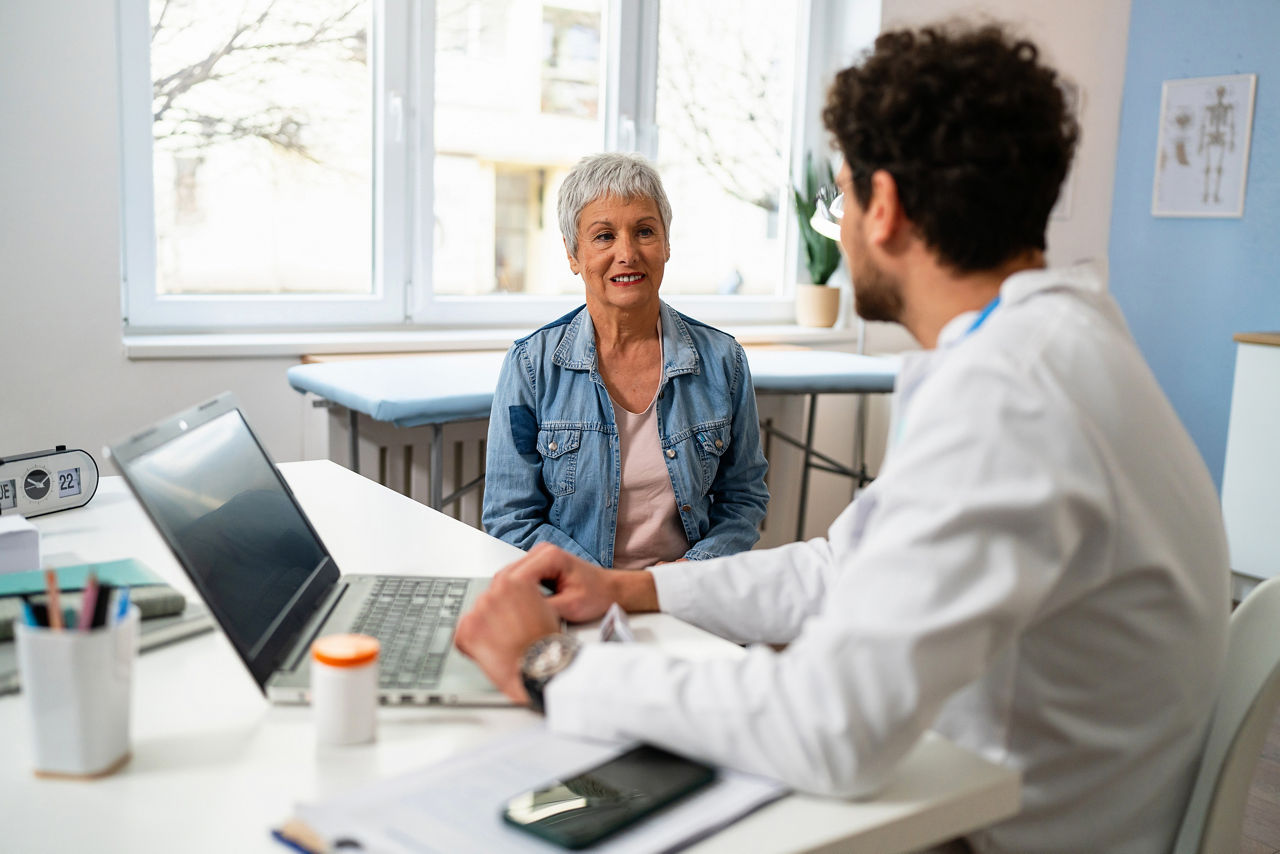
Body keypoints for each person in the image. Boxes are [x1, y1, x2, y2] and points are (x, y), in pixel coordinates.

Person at [456, 24, 1229, 854]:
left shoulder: (1007, 397)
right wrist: (632, 591)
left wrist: (556, 671)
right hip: (1022, 795)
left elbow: (831, 729)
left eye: (844, 198)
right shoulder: (1057, 346)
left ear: (884, 205)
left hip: (992, 834)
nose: (844, 221)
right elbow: (841, 565)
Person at [482, 152, 769, 569]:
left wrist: (687, 574)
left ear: (667, 244)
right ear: (572, 254)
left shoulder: (724, 360)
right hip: (574, 593)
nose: (628, 253)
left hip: (685, 592)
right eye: (603, 236)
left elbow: (744, 498)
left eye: (645, 231)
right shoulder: (530, 366)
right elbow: (510, 518)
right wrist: (606, 586)